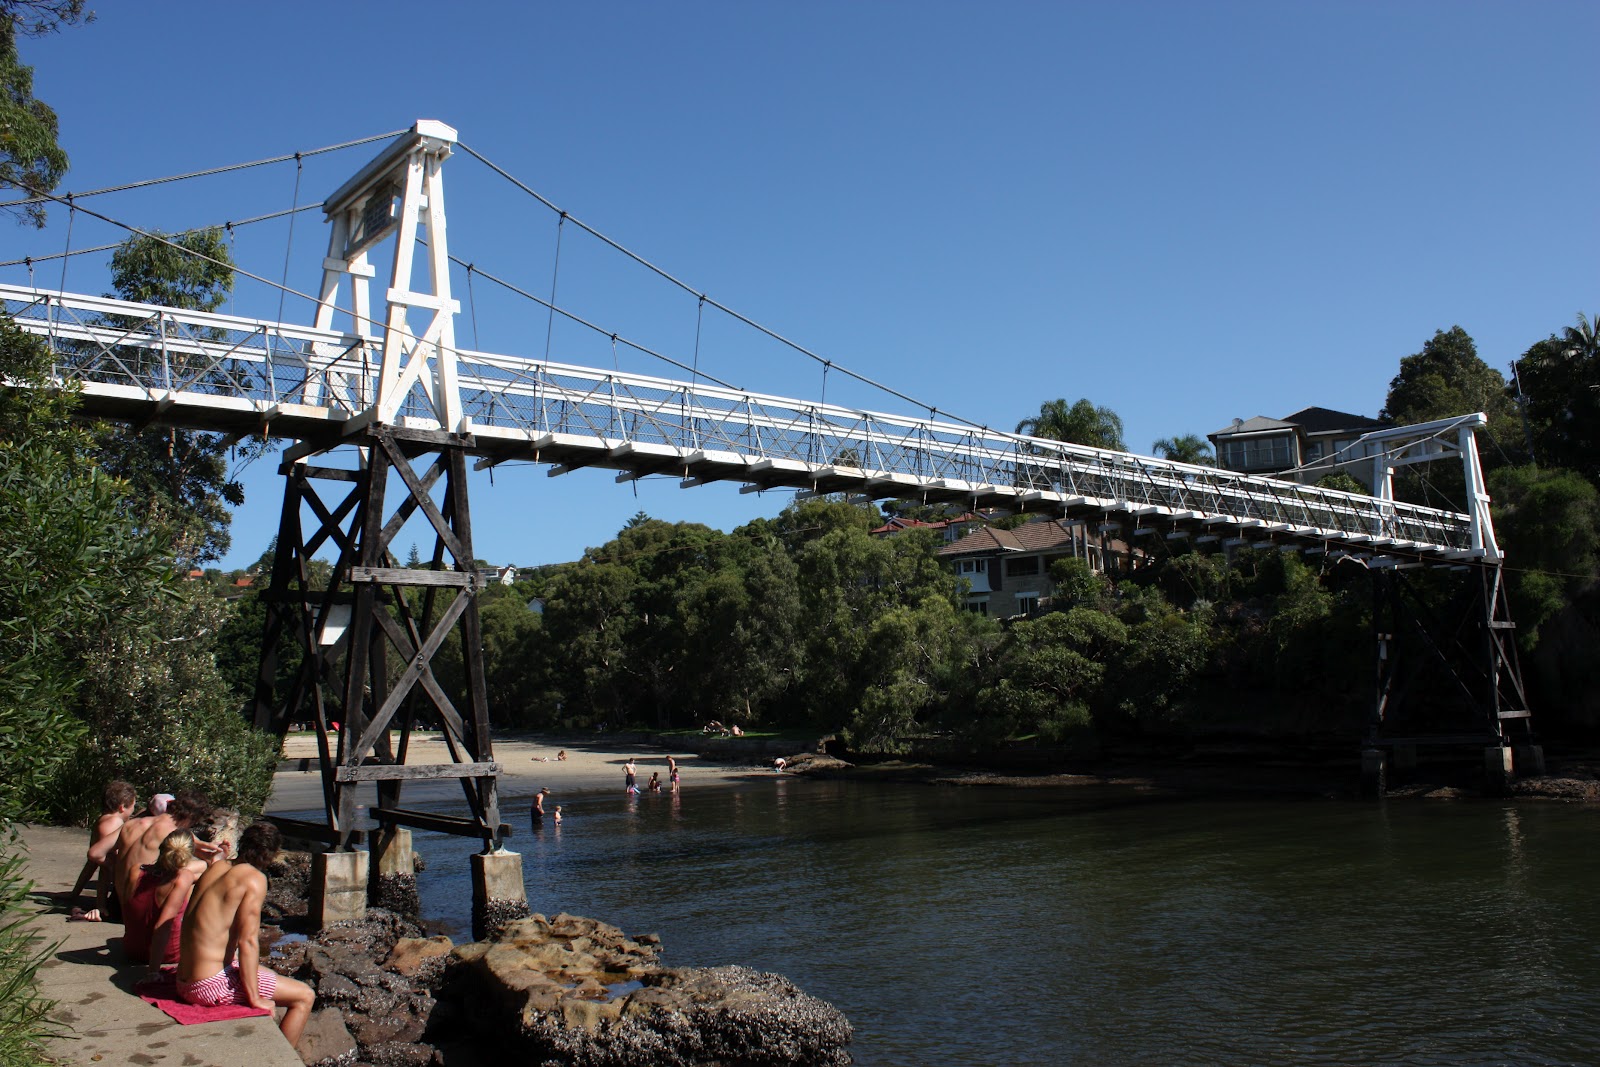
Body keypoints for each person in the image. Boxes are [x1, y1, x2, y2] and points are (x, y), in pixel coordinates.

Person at [177, 823, 315, 1048]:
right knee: (304, 996)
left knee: (268, 973)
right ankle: (280, 1062)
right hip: (207, 987)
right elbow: (248, 942)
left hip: (183, 980)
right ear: (269, 855)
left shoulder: (216, 867)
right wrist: (255, 998)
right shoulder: (253, 879)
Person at [124, 828, 209, 967]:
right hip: (168, 954)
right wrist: (153, 971)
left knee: (197, 876)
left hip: (132, 949)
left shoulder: (136, 870)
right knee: (198, 880)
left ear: (162, 846)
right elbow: (162, 926)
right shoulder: (183, 877)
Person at [115, 792, 208, 917]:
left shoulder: (133, 823)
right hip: (143, 902)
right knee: (199, 869)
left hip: (121, 900)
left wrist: (112, 866)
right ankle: (182, 915)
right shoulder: (173, 831)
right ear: (190, 818)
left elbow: (96, 853)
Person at [69, 781, 137, 921]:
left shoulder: (103, 820)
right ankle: (102, 907)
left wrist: (75, 893)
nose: (134, 811)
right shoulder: (112, 823)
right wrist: (101, 904)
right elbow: (102, 864)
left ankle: (102, 906)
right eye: (133, 807)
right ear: (122, 807)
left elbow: (91, 864)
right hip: (117, 877)